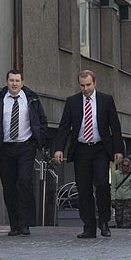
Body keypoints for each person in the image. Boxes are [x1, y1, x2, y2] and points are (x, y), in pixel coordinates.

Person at [54, 70, 125, 239]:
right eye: (82, 85)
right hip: (81, 150)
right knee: (84, 189)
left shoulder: (105, 100)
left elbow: (114, 127)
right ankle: (89, 226)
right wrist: (58, 148)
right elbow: (64, 127)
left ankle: (104, 221)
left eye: (88, 85)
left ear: (95, 83)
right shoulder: (72, 102)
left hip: (100, 148)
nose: (85, 88)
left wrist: (118, 150)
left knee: (102, 185)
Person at [0, 70, 48, 236]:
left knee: (24, 182)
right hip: (5, 149)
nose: (14, 83)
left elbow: (42, 121)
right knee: (9, 187)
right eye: (11, 80)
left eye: (17, 81)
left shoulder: (31, 99)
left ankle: (25, 223)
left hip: (25, 147)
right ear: (7, 81)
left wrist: (38, 141)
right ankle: (14, 224)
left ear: (22, 82)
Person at [110, 159, 131, 229]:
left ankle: (126, 229)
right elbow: (113, 186)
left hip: (128, 198)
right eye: (124, 165)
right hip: (118, 198)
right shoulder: (116, 174)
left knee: (127, 217)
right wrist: (112, 198)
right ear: (121, 166)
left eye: (127, 166)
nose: (125, 167)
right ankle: (119, 228)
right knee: (118, 217)